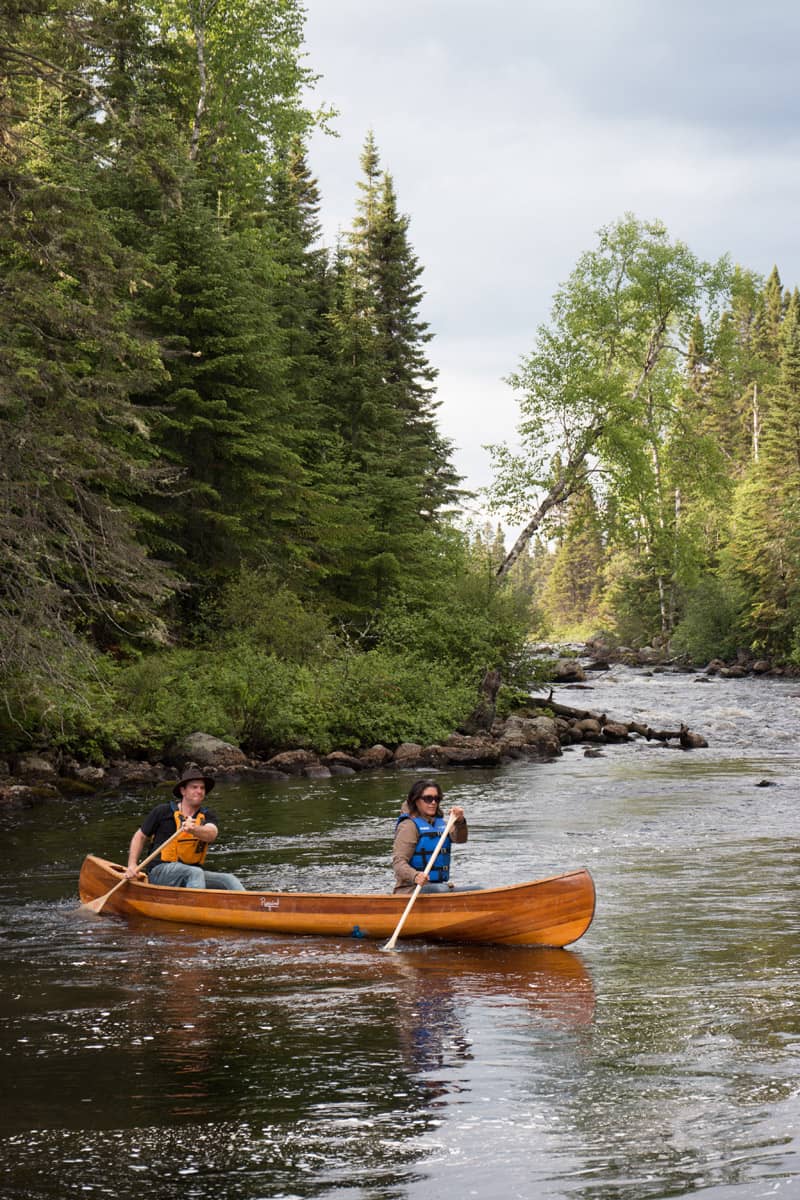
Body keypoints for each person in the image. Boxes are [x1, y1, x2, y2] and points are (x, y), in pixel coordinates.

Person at [124, 767, 245, 890]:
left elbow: (211, 833)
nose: (199, 791)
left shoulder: (207, 815)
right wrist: (132, 865)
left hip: (192, 873)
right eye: (194, 787)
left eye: (202, 788)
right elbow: (140, 836)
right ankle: (195, 907)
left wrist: (194, 829)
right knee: (194, 873)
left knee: (229, 879)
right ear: (183, 791)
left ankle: (251, 906)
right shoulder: (162, 811)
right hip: (160, 872)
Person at [392, 779, 469, 895]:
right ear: (416, 800)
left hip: (439, 886)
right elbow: (398, 863)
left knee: (479, 889)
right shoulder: (408, 826)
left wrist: (460, 822)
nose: (433, 802)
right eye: (428, 799)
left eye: (436, 799)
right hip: (411, 888)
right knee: (441, 890)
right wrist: (415, 875)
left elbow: (460, 839)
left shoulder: (441, 823)